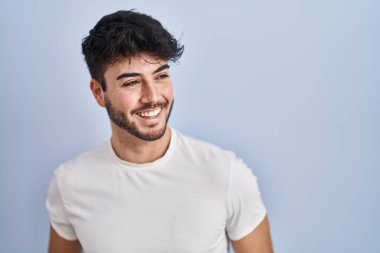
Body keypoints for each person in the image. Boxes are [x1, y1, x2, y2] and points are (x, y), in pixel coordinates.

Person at [46, 10, 274, 253]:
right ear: (98, 93)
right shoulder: (70, 183)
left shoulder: (226, 174)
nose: (153, 97)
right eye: (131, 82)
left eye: (161, 76)